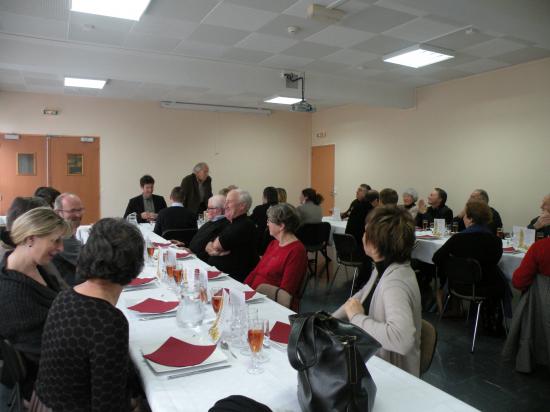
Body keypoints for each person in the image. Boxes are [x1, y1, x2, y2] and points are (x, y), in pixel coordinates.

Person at [35, 218, 144, 411]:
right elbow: (109, 406)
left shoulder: (65, 296)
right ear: (134, 266)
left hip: (43, 403)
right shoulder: (109, 322)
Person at [333, 206, 421, 376]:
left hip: (390, 373)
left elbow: (401, 340)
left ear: (377, 243)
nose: (363, 236)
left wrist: (356, 318)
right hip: (375, 357)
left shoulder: (395, 283)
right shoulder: (383, 267)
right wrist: (328, 320)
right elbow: (361, 295)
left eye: (366, 232)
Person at [0, 207, 71, 397]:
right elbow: (48, 353)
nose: (61, 247)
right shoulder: (12, 295)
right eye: (55, 240)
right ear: (30, 239)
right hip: (48, 383)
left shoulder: (39, 266)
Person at [432, 200, 504, 328]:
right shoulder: (495, 241)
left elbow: (436, 258)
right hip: (486, 287)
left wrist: (452, 265)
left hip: (457, 286)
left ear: (470, 219)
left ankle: (455, 308)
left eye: (465, 216)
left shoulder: (457, 239)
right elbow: (494, 263)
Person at [244, 203, 308, 311]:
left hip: (271, 304)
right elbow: (256, 271)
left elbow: (286, 292)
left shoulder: (297, 251)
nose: (267, 224)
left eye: (269, 220)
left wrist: (253, 296)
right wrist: (243, 289)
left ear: (281, 226)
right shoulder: (273, 244)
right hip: (255, 297)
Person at [206, 189, 259, 282]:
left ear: (242, 206)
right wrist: (217, 252)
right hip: (219, 274)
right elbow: (208, 245)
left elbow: (216, 245)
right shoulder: (230, 223)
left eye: (229, 202)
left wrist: (215, 248)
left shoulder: (244, 224)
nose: (225, 206)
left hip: (233, 279)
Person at [53, 193, 86, 286]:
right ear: (58, 213)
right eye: (72, 211)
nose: (78, 214)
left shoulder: (67, 232)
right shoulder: (63, 235)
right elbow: (89, 263)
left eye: (80, 210)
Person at [188, 195, 229, 262]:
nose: (207, 210)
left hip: (198, 260)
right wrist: (186, 247)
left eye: (209, 208)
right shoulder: (212, 221)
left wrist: (193, 254)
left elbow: (209, 250)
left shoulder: (223, 225)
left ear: (218, 210)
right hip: (191, 254)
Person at [250, 187, 279, 255]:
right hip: (278, 241)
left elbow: (250, 222)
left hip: (261, 244)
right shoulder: (282, 209)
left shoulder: (259, 209)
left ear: (265, 196)